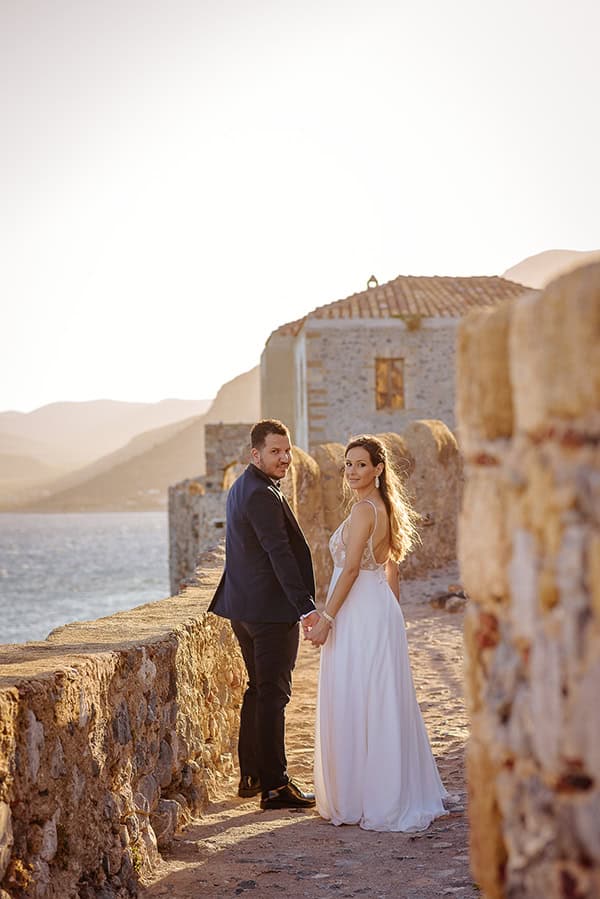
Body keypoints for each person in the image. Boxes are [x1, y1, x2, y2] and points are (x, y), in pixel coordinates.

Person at [307, 434, 448, 831]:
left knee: (357, 694)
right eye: (348, 464)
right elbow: (390, 568)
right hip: (377, 609)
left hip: (359, 612)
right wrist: (393, 616)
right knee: (377, 696)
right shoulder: (383, 506)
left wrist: (326, 619)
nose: (352, 471)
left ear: (378, 469)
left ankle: (365, 796)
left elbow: (352, 569)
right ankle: (380, 790)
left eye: (361, 465)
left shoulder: (364, 510)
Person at [209, 419, 319, 810]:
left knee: (258, 689)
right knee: (274, 694)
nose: (284, 458)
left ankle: (252, 776)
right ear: (255, 454)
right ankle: (275, 785)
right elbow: (279, 553)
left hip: (244, 607)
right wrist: (305, 606)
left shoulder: (242, 486)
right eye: (275, 452)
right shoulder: (261, 494)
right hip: (269, 612)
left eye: (287, 451)